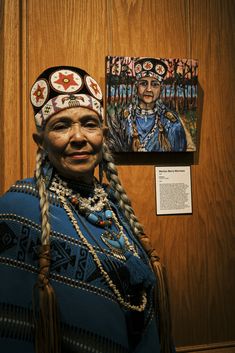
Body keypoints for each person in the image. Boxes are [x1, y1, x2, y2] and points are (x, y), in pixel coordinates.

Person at [0, 66, 174, 353]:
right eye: (61, 125)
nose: (78, 136)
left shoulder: (112, 204)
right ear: (40, 142)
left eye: (89, 124)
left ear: (103, 135)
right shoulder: (17, 212)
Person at [125, 58, 187, 152]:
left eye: (154, 84)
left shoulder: (171, 123)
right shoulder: (123, 119)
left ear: (161, 89)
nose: (149, 89)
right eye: (143, 84)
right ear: (136, 87)